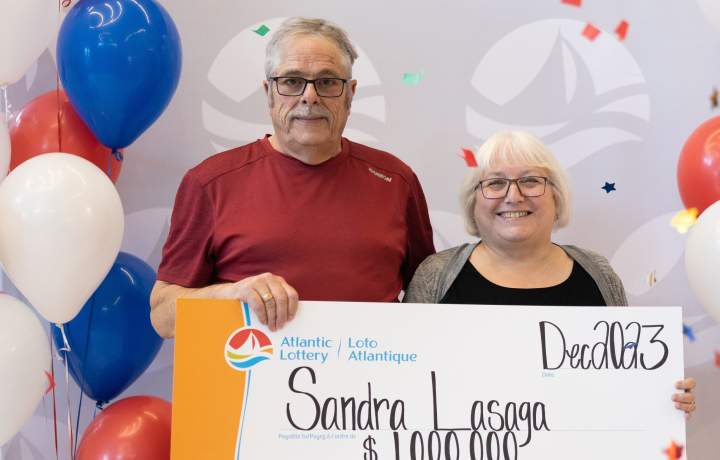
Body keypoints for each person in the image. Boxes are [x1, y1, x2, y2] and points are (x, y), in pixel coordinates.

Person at [150, 17, 434, 338]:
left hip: (372, 370)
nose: (309, 96)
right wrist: (230, 294)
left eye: (327, 82)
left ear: (350, 94)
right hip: (248, 368)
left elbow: (431, 299)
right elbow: (162, 316)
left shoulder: (396, 181)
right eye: (291, 81)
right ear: (269, 92)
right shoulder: (210, 183)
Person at [404, 130, 696, 416]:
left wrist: (662, 402)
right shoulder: (437, 276)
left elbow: (626, 382)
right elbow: (403, 384)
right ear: (473, 202)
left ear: (556, 197)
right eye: (495, 183)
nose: (513, 196)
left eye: (530, 181)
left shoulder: (598, 274)